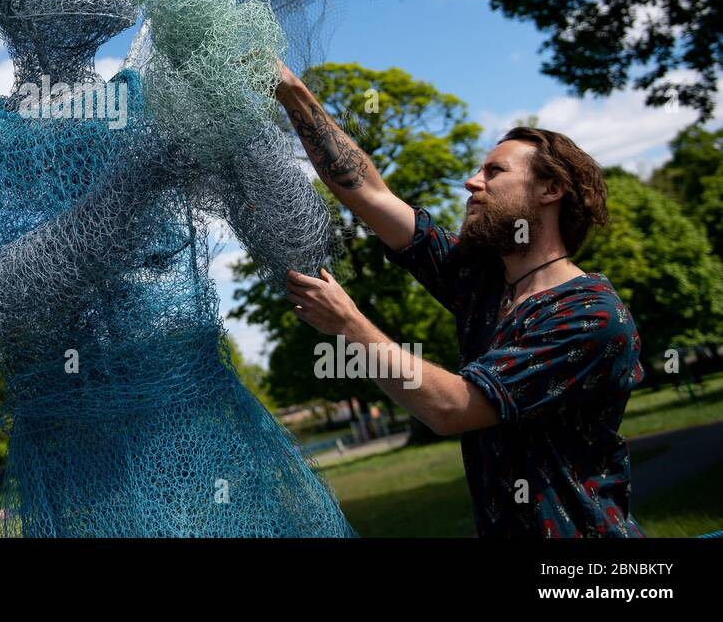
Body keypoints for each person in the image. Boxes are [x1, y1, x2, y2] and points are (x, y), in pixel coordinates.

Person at [272, 61, 645, 537]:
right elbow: (368, 192)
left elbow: (452, 408)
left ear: (552, 190)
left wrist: (349, 326)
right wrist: (291, 90)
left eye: (494, 171)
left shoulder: (590, 314)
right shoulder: (483, 279)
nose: (472, 181)